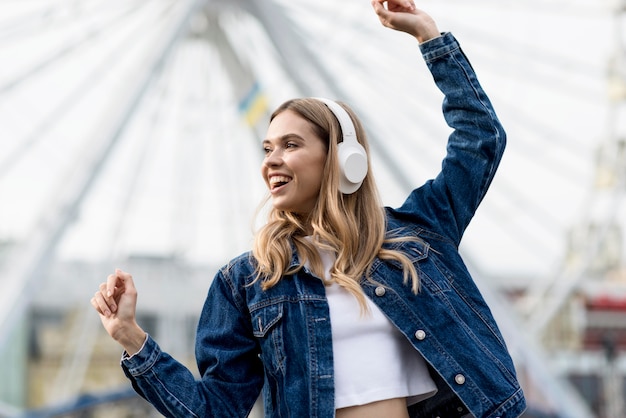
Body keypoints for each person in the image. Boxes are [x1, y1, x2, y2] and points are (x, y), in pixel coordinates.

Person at [91, 1, 527, 417]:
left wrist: (428, 36)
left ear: (343, 159)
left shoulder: (419, 234)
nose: (271, 160)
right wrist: (131, 338)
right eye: (267, 148)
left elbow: (481, 138)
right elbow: (216, 410)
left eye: (291, 145)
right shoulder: (246, 282)